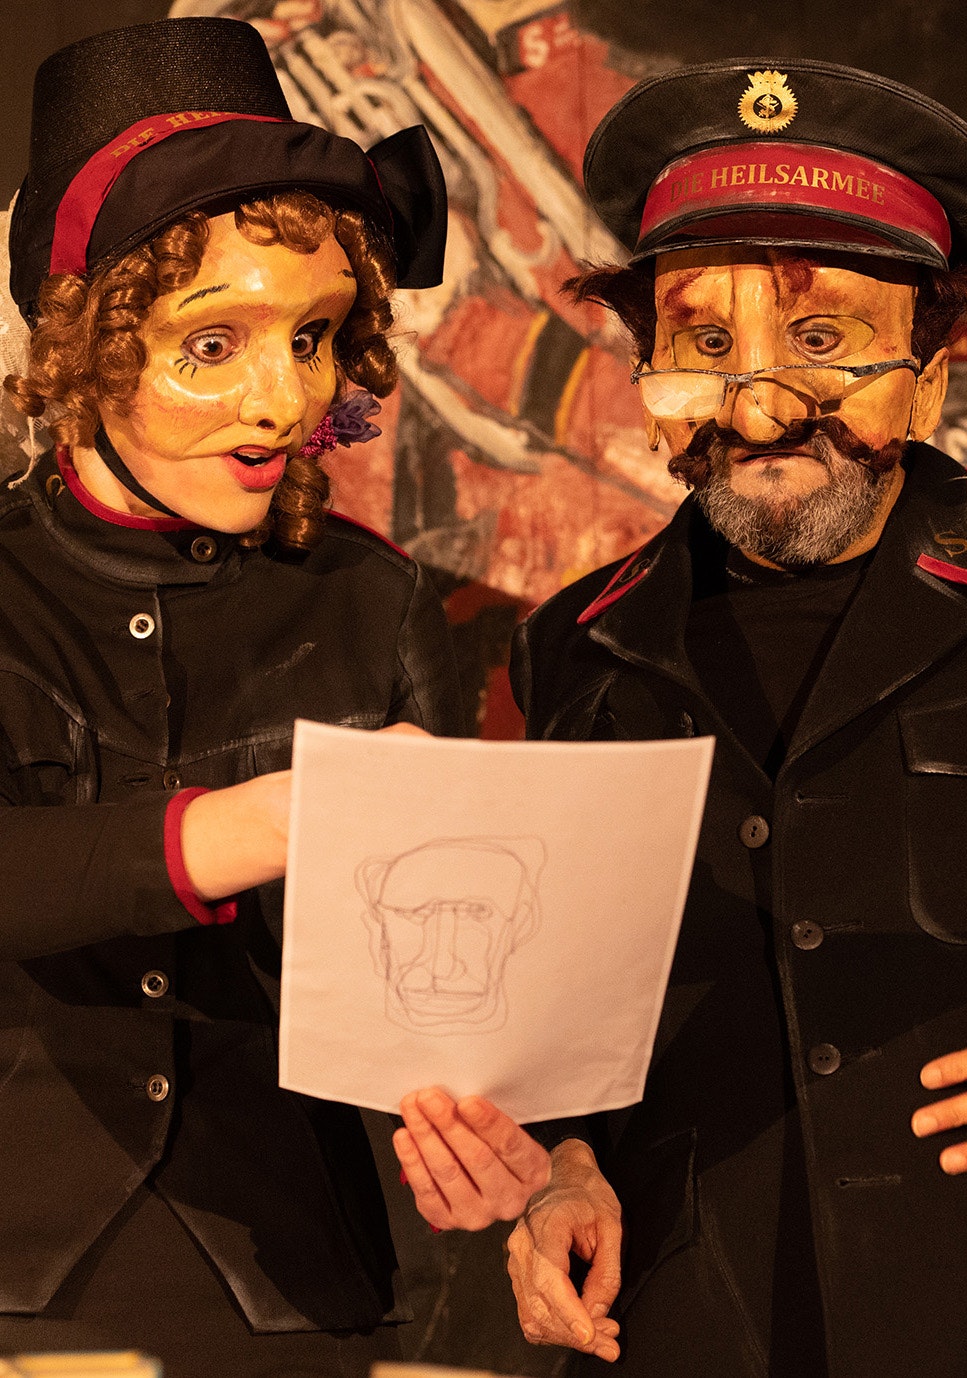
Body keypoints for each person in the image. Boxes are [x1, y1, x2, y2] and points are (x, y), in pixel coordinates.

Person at [0, 17, 548, 1377]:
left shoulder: (373, 602)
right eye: (213, 344)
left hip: (298, 1288)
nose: (281, 399)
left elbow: (450, 997)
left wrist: (494, 1134)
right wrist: (251, 824)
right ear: (81, 343)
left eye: (311, 336)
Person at [504, 59, 967, 1378]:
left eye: (821, 341)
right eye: (707, 348)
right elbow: (563, 1007)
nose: (760, 408)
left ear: (928, 375)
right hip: (686, 1317)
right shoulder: (576, 648)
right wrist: (559, 1167)